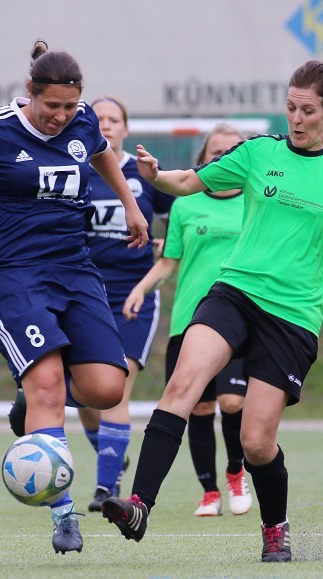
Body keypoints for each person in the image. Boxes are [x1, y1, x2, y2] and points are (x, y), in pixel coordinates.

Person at [101, 39, 323, 563]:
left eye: (307, 110)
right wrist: (154, 177)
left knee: (256, 442)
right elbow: (188, 182)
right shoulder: (259, 153)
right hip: (235, 292)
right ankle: (139, 503)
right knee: (181, 385)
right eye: (291, 108)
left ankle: (274, 528)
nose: (297, 119)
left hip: (293, 315)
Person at [0, 39, 149, 556]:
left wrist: (130, 204)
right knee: (46, 383)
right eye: (51, 106)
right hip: (11, 275)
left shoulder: (83, 120)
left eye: (69, 106)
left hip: (75, 271)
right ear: (29, 93)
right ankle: (63, 516)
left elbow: (103, 156)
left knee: (108, 389)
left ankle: (37, 404)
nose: (62, 116)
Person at [122, 123, 253, 518]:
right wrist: (142, 288)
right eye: (216, 152)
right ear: (203, 160)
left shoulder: (257, 201)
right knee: (197, 408)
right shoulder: (185, 205)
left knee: (233, 401)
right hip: (190, 320)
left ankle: (235, 472)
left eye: (233, 150)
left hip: (240, 317)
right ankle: (209, 492)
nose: (224, 157)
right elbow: (169, 260)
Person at [75, 96, 174, 511]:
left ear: (127, 129)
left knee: (117, 388)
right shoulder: (75, 172)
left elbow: (183, 212)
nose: (108, 125)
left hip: (134, 295)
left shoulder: (144, 176)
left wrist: (172, 241)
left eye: (115, 120)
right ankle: (113, 455)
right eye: (99, 119)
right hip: (84, 295)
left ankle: (104, 488)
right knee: (85, 396)